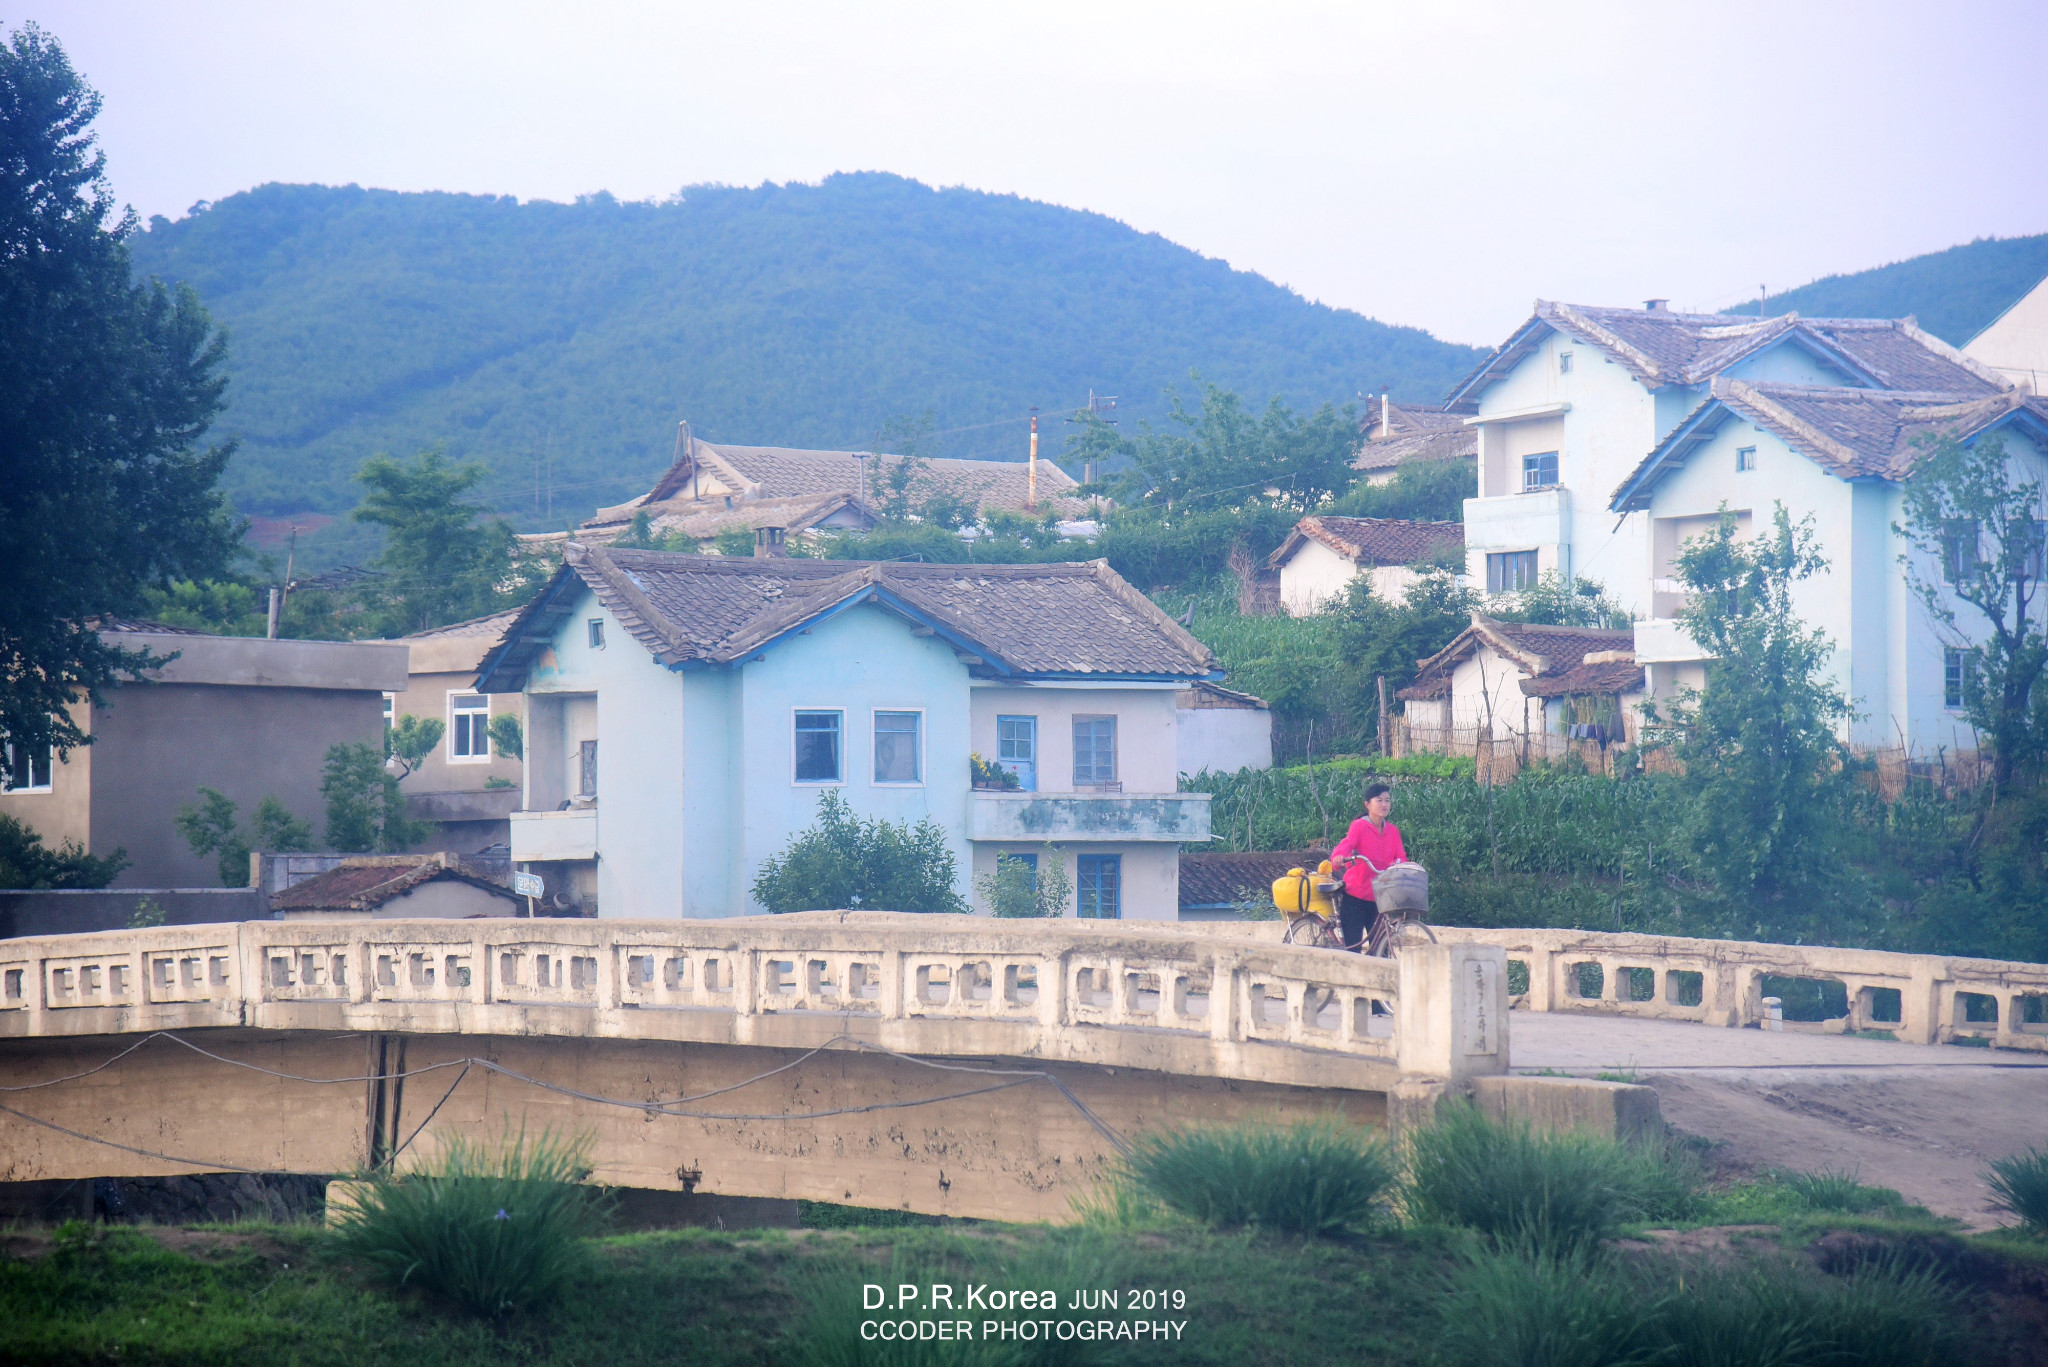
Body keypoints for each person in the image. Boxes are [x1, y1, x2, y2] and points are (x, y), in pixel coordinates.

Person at [1329, 782, 1405, 952]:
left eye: (1387, 800)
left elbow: (1400, 856)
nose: (1384, 804)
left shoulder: (1393, 831)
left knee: (1381, 949)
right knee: (1353, 950)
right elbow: (1347, 844)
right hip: (1356, 895)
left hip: (1379, 897)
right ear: (1367, 804)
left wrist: (1398, 864)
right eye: (1379, 800)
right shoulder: (1359, 826)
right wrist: (1339, 857)